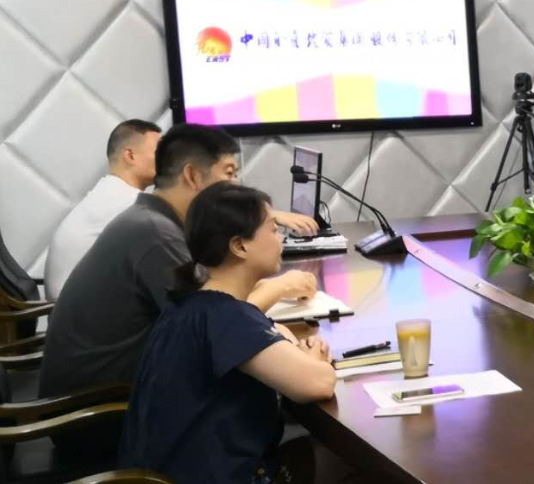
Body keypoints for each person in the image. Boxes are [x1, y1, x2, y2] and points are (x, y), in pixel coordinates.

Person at [39, 124, 319, 456]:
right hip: (98, 415)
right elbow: (215, 319)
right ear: (192, 176)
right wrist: (280, 289)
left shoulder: (150, 219)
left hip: (113, 399)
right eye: (229, 173)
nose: (236, 186)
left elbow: (212, 303)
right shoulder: (155, 234)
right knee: (288, 419)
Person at [119, 182, 336, 484]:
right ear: (239, 246)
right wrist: (314, 359)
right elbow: (318, 384)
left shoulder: (189, 303)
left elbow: (266, 331)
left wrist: (285, 341)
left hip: (158, 473)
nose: (280, 240)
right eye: (273, 230)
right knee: (341, 463)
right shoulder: (225, 316)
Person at [44, 120, 162, 299]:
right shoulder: (129, 202)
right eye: (159, 152)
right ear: (130, 156)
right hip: (81, 310)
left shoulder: (109, 192)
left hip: (71, 306)